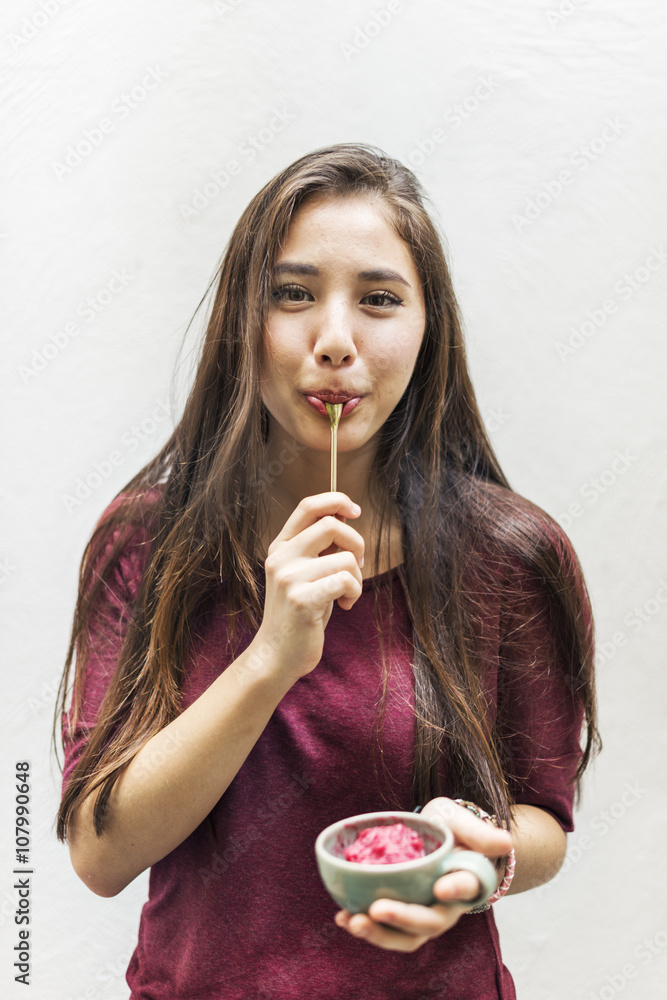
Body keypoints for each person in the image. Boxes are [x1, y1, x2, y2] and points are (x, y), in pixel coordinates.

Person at [53, 142, 600, 1000]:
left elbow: (542, 823)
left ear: (429, 328)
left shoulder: (510, 554)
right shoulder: (145, 543)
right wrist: (271, 656)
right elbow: (99, 851)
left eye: (379, 300)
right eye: (293, 295)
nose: (336, 341)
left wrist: (475, 855)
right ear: (244, 318)